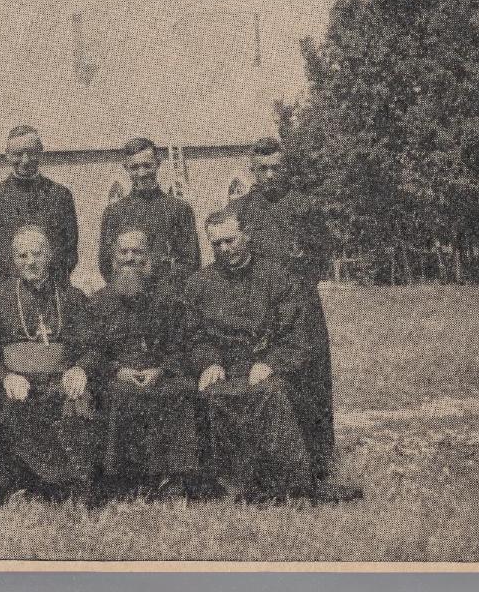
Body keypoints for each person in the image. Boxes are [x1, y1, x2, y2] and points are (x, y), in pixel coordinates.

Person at [226, 136, 354, 496]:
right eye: (262, 169)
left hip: (301, 306)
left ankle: (319, 462)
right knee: (263, 380)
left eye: (276, 168)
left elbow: (322, 254)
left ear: (286, 168)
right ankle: (268, 462)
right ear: (252, 171)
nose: (269, 175)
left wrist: (295, 283)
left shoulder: (304, 206)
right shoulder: (241, 209)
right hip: (257, 308)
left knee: (310, 381)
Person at [187, 209, 342, 503]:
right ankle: (233, 485)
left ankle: (293, 482)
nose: (224, 249)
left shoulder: (277, 277)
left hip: (269, 367)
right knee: (210, 394)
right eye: (216, 244)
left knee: (270, 392)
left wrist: (270, 363)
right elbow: (195, 336)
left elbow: (298, 336)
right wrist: (208, 362)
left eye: (230, 241)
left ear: (247, 235)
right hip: (225, 368)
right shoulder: (199, 284)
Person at [0, 225, 102, 504]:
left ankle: (76, 485)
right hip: (18, 382)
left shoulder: (71, 297)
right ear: (13, 259)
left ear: (50, 255)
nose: (30, 262)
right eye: (22, 256)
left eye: (37, 254)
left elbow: (92, 348)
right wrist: (5, 377)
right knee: (13, 412)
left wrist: (80, 368)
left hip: (60, 379)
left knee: (79, 402)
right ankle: (30, 485)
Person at [89, 229, 204, 500]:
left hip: (160, 372)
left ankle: (173, 480)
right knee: (118, 394)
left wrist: (161, 369)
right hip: (116, 375)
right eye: (123, 252)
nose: (130, 258)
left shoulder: (170, 301)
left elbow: (182, 345)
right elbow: (90, 349)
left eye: (138, 252)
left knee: (178, 392)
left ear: (150, 258)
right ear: (113, 258)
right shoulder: (97, 302)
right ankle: (122, 482)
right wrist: (117, 369)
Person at [0, 126, 80, 286]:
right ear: (7, 155)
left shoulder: (60, 195)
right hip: (7, 291)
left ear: (41, 152)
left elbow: (70, 250)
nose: (25, 160)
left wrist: (50, 283)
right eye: (17, 154)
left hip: (51, 289)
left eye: (31, 152)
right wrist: (1, 287)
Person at [97, 137, 201, 287]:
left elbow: (191, 261)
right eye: (134, 167)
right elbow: (106, 264)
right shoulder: (114, 212)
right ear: (125, 167)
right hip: (127, 296)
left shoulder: (179, 209)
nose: (142, 173)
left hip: (167, 296)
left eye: (147, 166)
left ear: (158, 164)